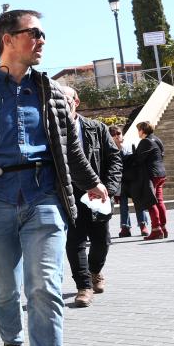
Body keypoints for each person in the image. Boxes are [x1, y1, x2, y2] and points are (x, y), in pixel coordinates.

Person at [0, 9, 107, 346]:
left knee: (45, 288)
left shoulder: (54, 93)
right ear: (8, 40)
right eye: (34, 33)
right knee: (4, 290)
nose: (42, 40)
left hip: (45, 198)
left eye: (43, 34)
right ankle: (12, 343)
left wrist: (94, 182)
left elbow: (71, 149)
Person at [61, 87, 122, 307]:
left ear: (76, 102)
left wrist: (109, 188)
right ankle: (84, 286)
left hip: (98, 193)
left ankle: (95, 271)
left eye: (66, 99)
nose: (62, 103)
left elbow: (114, 159)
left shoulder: (97, 128)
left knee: (101, 240)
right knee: (75, 241)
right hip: (69, 195)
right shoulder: (52, 131)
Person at [109, 125, 149, 237]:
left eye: (118, 133)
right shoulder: (109, 150)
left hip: (133, 179)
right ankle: (125, 228)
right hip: (120, 181)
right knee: (123, 205)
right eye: (113, 134)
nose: (116, 136)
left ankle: (143, 225)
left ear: (122, 134)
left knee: (138, 203)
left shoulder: (130, 147)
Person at [134, 121, 168, 240]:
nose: (138, 132)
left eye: (138, 130)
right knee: (159, 200)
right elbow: (162, 154)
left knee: (150, 201)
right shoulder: (157, 139)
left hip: (151, 174)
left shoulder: (145, 141)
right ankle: (163, 227)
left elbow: (138, 159)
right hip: (161, 173)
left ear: (142, 130)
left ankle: (156, 230)